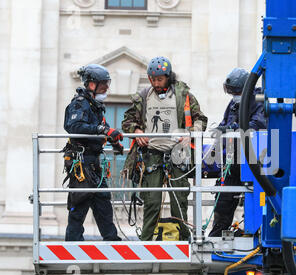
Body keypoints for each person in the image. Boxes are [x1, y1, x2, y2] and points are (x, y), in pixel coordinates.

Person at [122, 56, 208, 241]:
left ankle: (184, 239)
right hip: (152, 155)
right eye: (152, 78)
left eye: (159, 79)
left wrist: (190, 133)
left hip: (177, 155)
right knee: (151, 200)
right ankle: (146, 240)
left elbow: (201, 120)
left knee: (179, 199)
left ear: (168, 77)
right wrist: (137, 131)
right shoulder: (144, 96)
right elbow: (127, 121)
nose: (155, 82)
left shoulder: (184, 96)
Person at [63, 64, 123, 241]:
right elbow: (74, 126)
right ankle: (73, 243)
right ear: (91, 84)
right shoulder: (79, 104)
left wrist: (112, 139)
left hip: (94, 164)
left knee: (103, 202)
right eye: (103, 84)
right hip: (82, 163)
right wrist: (102, 130)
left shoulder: (95, 106)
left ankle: (111, 240)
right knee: (80, 204)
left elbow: (96, 130)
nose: (106, 88)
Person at [208, 68, 266, 237]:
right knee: (224, 200)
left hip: (252, 160)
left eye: (236, 91)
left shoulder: (259, 99)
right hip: (232, 159)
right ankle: (216, 235)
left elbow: (259, 124)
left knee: (253, 198)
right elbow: (225, 121)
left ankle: (253, 232)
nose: (233, 95)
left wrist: (234, 128)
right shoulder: (234, 103)